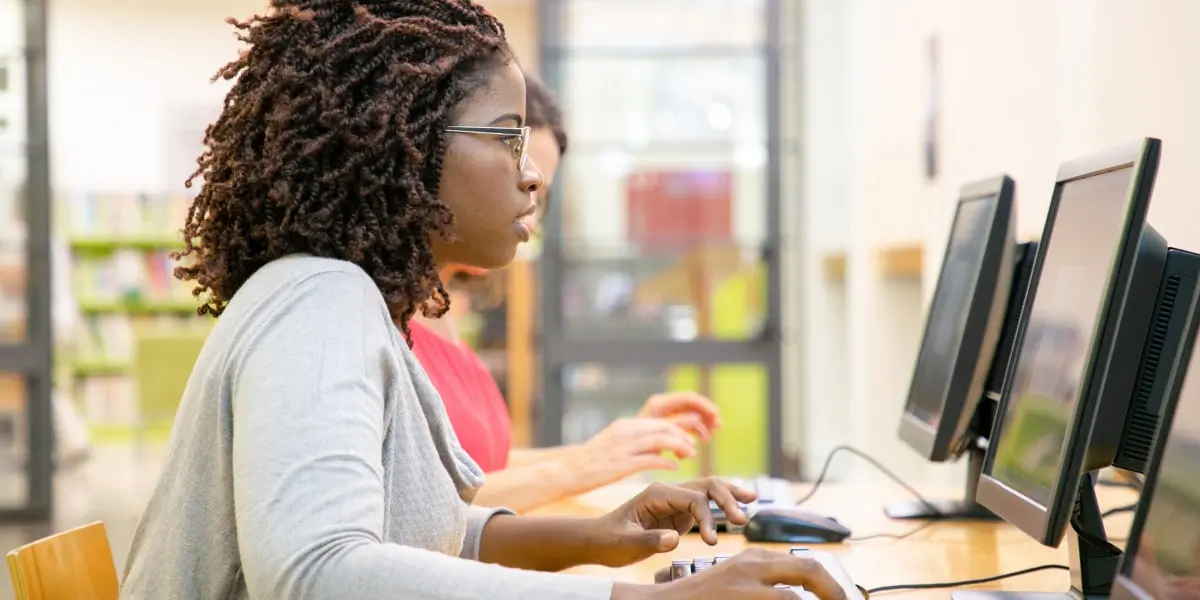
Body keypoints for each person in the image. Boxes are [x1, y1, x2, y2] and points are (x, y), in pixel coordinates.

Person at [118, 2, 845, 600]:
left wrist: (600, 534)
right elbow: (320, 573)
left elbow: (419, 531)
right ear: (402, 146)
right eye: (507, 139)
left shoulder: (361, 306)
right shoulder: (320, 300)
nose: (531, 177)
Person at [411, 72, 722, 513]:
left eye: (540, 192)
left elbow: (479, 470)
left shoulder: (436, 306)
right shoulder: (375, 315)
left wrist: (614, 447)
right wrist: (581, 465)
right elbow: (423, 508)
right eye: (515, 169)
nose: (529, 211)